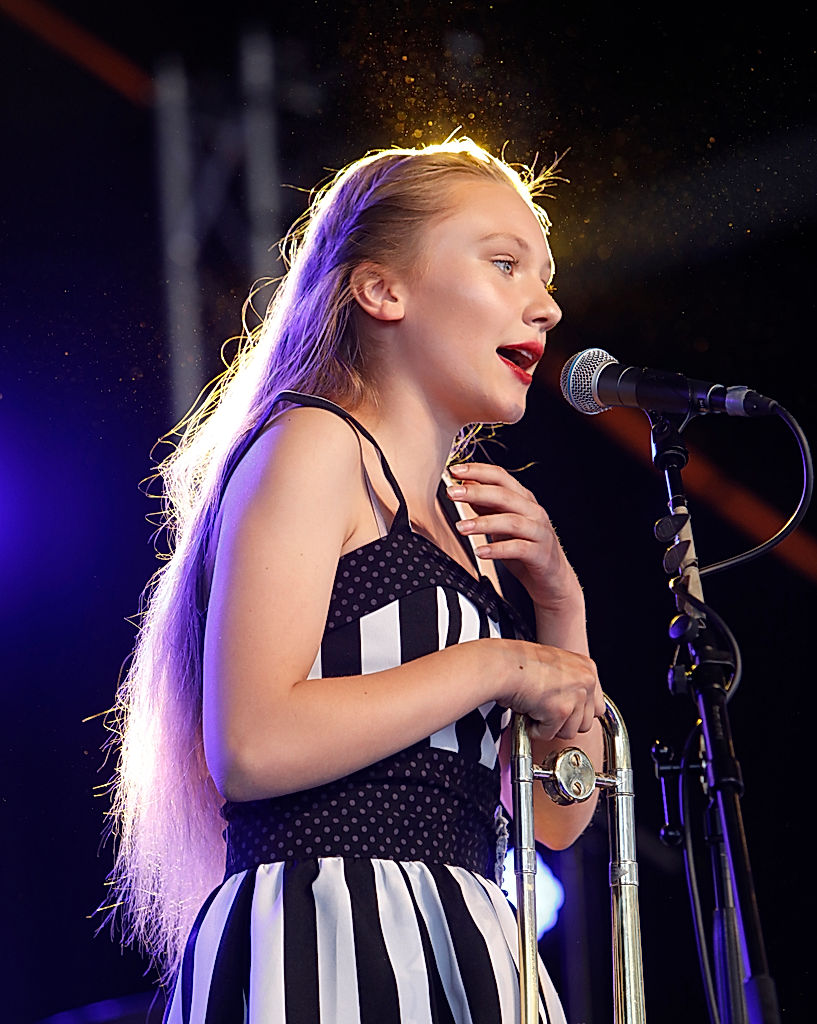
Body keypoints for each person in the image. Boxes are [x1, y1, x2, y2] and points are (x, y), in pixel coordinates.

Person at [105, 137, 605, 1024]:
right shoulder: (312, 444)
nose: (547, 304)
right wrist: (499, 664)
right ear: (382, 290)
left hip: (465, 936)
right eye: (504, 263)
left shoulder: (465, 530)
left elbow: (554, 816)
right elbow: (252, 745)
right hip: (325, 934)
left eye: (545, 273)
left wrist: (559, 609)